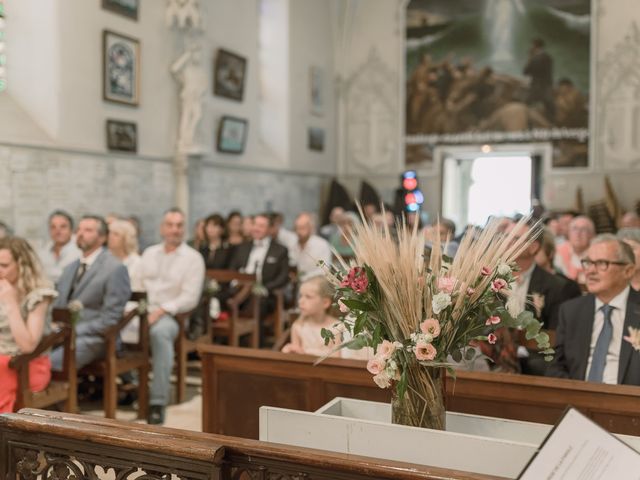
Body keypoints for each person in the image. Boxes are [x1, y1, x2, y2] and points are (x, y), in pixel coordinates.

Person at [140, 208, 205, 424]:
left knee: (159, 334)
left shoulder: (193, 259)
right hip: (142, 311)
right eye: (170, 224)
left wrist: (161, 311)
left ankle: (157, 401)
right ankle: (128, 384)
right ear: (162, 228)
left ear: (184, 229)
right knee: (111, 328)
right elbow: (135, 283)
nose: (174, 230)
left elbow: (189, 298)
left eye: (179, 225)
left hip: (172, 316)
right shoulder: (149, 253)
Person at [547, 235, 640, 384]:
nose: (590, 271)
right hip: (579, 399)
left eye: (602, 263)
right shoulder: (571, 311)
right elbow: (557, 365)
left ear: (628, 271)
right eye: (588, 263)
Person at [51, 215, 131, 370]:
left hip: (98, 338)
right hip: (64, 334)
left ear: (102, 237)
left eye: (88, 230)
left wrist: (73, 331)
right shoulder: (70, 268)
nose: (80, 233)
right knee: (26, 355)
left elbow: (110, 319)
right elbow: (59, 304)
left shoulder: (115, 268)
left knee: (49, 364)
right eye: (79, 229)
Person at [0, 237, 57, 413]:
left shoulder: (39, 294)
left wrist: (11, 303)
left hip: (27, 364)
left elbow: (28, 345)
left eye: (4, 265)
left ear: (22, 264)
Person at [229, 213, 289, 346]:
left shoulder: (280, 250)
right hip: (239, 290)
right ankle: (223, 344)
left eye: (261, 226)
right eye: (255, 225)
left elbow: (283, 277)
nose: (257, 228)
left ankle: (254, 345)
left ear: (269, 229)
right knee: (219, 297)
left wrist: (266, 289)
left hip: (265, 294)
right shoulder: (242, 247)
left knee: (257, 302)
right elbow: (232, 270)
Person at [282, 277, 339, 357]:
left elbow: (337, 357)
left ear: (325, 302)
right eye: (301, 296)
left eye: (308, 297)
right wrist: (289, 351)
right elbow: (295, 357)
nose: (300, 301)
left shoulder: (338, 327)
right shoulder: (298, 326)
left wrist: (305, 352)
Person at [108, 219, 144, 344]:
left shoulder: (137, 263)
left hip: (129, 313)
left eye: (115, 234)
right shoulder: (106, 261)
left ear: (126, 238)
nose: (110, 237)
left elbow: (139, 295)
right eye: (110, 233)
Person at [39, 210, 81, 285]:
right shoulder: (43, 251)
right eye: (53, 227)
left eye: (63, 226)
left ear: (71, 230)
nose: (58, 231)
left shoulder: (80, 250)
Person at [290, 212, 332, 282]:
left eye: (302, 228)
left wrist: (303, 278)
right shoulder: (293, 243)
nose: (298, 231)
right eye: (296, 228)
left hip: (316, 285)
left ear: (311, 228)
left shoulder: (321, 244)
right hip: (296, 286)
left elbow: (325, 270)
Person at [554, 215, 595, 285]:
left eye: (583, 229)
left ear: (591, 235)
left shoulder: (597, 253)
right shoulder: (558, 251)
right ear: (569, 233)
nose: (578, 233)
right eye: (574, 229)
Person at [523, 38, 554, 121]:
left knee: (526, 103)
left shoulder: (536, 58)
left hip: (537, 86)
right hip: (547, 85)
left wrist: (530, 58)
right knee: (549, 105)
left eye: (532, 45)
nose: (530, 47)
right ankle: (551, 122)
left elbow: (526, 72)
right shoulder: (548, 57)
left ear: (535, 46)